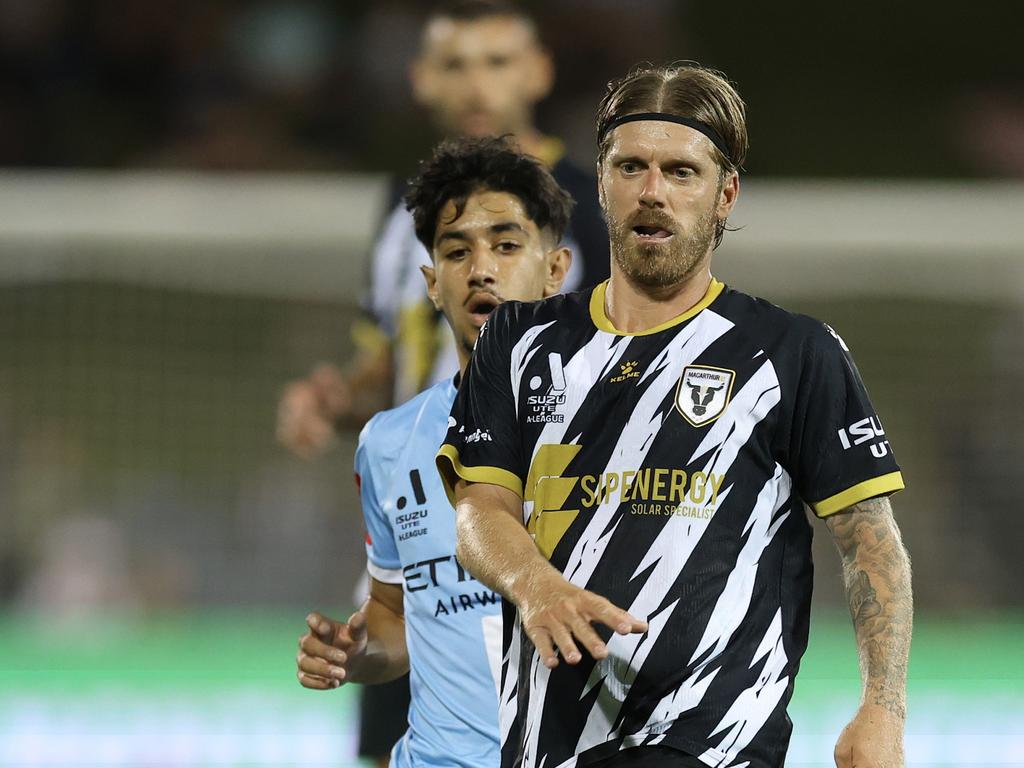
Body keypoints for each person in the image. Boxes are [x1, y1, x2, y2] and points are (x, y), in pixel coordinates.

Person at [438, 64, 913, 768]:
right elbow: (479, 514)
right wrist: (535, 585)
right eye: (630, 167)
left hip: (715, 745)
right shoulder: (518, 341)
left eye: (680, 172)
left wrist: (883, 708)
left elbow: (869, 539)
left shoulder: (791, 352)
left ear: (726, 195)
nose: (652, 192)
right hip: (548, 745)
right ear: (599, 186)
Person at [294, 135, 574, 768]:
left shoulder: (625, 425)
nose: (481, 268)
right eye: (456, 251)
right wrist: (353, 651)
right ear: (431, 283)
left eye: (506, 245)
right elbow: (395, 615)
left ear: (555, 269)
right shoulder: (388, 442)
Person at [277, 0, 608, 455]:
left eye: (497, 63)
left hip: (542, 506)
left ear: (539, 71)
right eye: (454, 65)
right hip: (419, 501)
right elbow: (390, 367)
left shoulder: (592, 208)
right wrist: (339, 400)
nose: (476, 88)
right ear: (422, 79)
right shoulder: (403, 208)